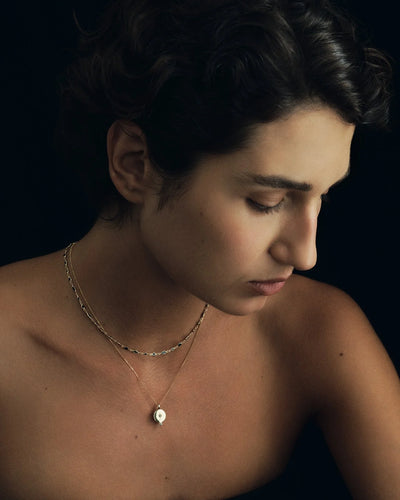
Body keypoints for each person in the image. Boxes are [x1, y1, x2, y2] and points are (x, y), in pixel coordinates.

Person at [1, 0, 399, 498]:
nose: (305, 255)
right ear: (134, 163)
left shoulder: (318, 334)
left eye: (323, 197)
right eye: (267, 201)